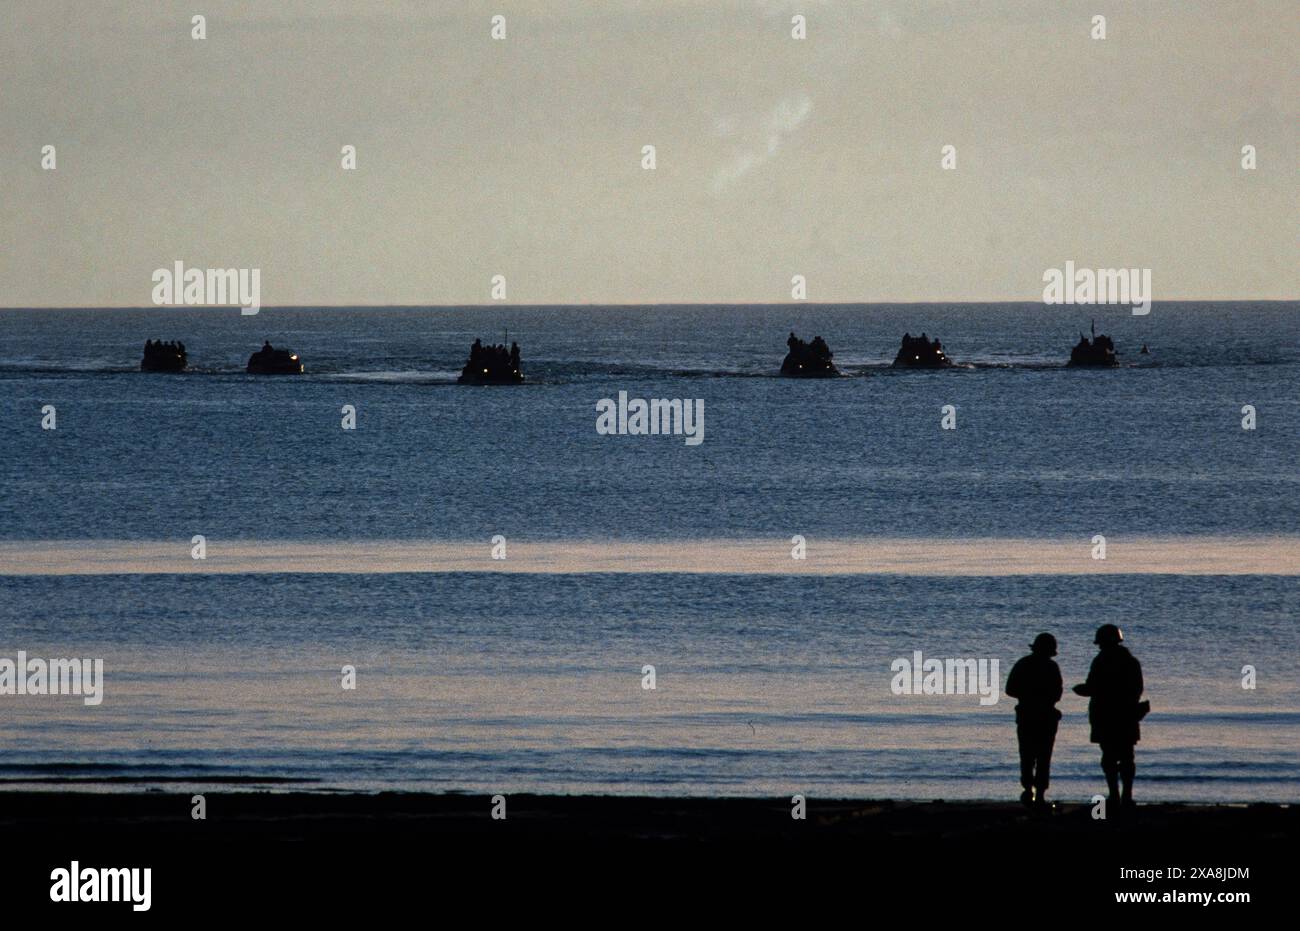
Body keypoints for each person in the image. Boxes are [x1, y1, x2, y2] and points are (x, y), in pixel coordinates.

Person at [1074, 624, 1144, 808]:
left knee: (1110, 757)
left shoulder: (1101, 661)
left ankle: (1115, 796)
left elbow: (1091, 687)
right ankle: (1126, 797)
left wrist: (1083, 690)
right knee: (1127, 757)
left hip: (1105, 716)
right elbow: (1137, 689)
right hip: (1126, 715)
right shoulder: (1131, 662)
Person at [1005, 633, 1063, 807]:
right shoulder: (1052, 667)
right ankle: (1039, 795)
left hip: (1027, 715)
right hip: (1045, 717)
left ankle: (1029, 790)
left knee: (1027, 755)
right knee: (1044, 756)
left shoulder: (1023, 664)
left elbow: (1010, 689)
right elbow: (1057, 694)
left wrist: (1027, 695)